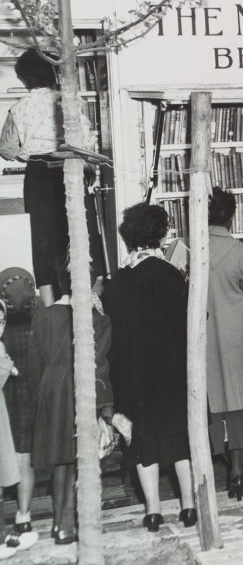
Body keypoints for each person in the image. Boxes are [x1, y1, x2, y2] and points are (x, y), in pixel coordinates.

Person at [104, 203, 195, 531]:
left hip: (133, 375)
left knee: (142, 441)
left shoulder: (119, 278)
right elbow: (189, 320)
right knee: (179, 437)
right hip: (170, 372)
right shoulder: (169, 273)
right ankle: (188, 507)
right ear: (159, 235)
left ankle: (153, 512)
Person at [0, 49, 98, 305]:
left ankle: (50, 306)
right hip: (69, 170)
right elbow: (86, 143)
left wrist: (24, 154)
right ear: (54, 72)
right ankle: (83, 302)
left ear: (24, 78)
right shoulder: (70, 102)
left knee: (43, 240)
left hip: (38, 176)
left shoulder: (18, 108)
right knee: (75, 234)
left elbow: (6, 149)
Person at [27, 257, 112, 543]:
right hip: (81, 390)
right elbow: (100, 363)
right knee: (79, 459)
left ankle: (58, 522)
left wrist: (41, 395)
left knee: (59, 461)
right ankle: (71, 523)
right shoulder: (98, 320)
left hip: (50, 390)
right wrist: (105, 407)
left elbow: (34, 363)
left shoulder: (43, 316)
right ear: (88, 284)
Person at [204, 188, 243, 500]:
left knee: (208, 402)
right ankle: (237, 472)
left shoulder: (187, 248)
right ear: (231, 217)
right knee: (237, 402)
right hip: (232, 334)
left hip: (200, 335)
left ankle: (209, 470)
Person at [0, 268, 43, 538]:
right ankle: (24, 516)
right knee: (25, 459)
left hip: (5, 399)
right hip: (29, 395)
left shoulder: (2, 328)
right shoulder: (36, 324)